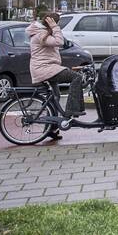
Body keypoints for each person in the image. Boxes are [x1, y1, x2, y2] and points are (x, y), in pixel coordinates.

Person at [27, 11, 84, 140]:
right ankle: (72, 110)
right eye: (57, 23)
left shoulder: (40, 32)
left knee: (55, 97)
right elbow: (59, 42)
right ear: (52, 23)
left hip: (47, 68)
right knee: (76, 77)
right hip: (45, 69)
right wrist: (55, 28)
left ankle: (52, 129)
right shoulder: (40, 34)